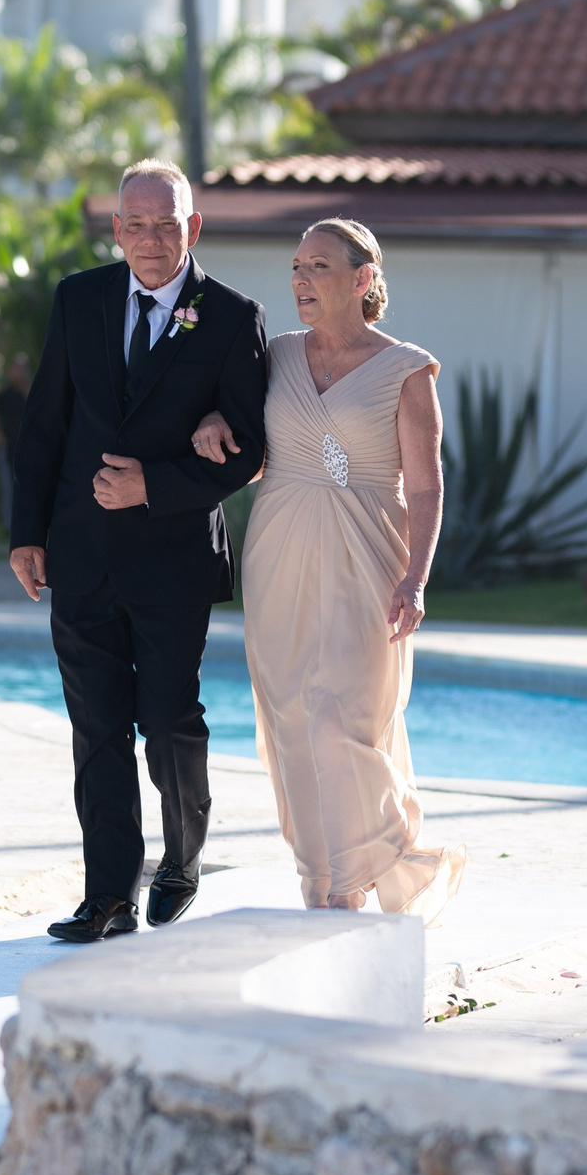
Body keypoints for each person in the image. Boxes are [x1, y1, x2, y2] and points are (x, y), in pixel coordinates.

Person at [7, 159, 270, 944]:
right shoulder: (77, 300)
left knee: (167, 720)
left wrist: (152, 484)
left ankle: (181, 858)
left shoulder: (230, 315)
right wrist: (26, 531)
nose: (152, 238)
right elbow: (45, 425)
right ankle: (108, 896)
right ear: (116, 229)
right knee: (98, 729)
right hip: (80, 553)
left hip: (173, 558)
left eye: (168, 222)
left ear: (193, 227)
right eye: (137, 223)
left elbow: (248, 448)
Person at [190, 220, 466, 923]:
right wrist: (216, 424)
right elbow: (253, 445)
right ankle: (328, 883)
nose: (301, 280)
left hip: (369, 556)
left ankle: (385, 851)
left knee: (345, 714)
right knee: (289, 718)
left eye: (318, 266)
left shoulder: (407, 369)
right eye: (296, 266)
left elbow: (428, 487)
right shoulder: (274, 353)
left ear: (361, 280)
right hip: (279, 549)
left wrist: (417, 578)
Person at [0, 352, 31, 539]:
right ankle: (9, 527)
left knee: (28, 487)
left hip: (27, 449)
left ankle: (28, 527)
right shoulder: (4, 394)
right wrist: (0, 438)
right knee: (8, 488)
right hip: (7, 448)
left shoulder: (31, 392)